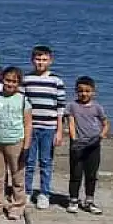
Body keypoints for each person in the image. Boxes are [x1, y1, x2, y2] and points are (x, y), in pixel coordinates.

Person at [0, 67, 32, 220]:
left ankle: (17, 205)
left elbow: (28, 124)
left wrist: (26, 146)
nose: (10, 84)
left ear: (18, 83)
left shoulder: (23, 100)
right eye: (7, 80)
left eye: (14, 81)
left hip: (16, 142)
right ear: (2, 80)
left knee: (17, 176)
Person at [23, 45, 66, 210]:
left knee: (46, 162)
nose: (40, 62)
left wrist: (59, 131)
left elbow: (60, 107)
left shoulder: (56, 81)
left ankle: (44, 193)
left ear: (50, 60)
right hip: (30, 127)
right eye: (38, 59)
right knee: (29, 161)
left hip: (49, 128)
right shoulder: (26, 79)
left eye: (44, 59)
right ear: (32, 60)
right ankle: (26, 191)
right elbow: (23, 103)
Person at [65, 76, 109, 215]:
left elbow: (105, 123)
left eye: (87, 91)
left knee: (91, 174)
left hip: (93, 145)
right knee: (76, 174)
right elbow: (71, 123)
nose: (84, 94)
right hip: (78, 144)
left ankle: (89, 200)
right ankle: (73, 199)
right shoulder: (72, 106)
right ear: (76, 91)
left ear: (93, 92)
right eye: (81, 91)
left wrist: (101, 135)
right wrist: (74, 139)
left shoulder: (97, 107)